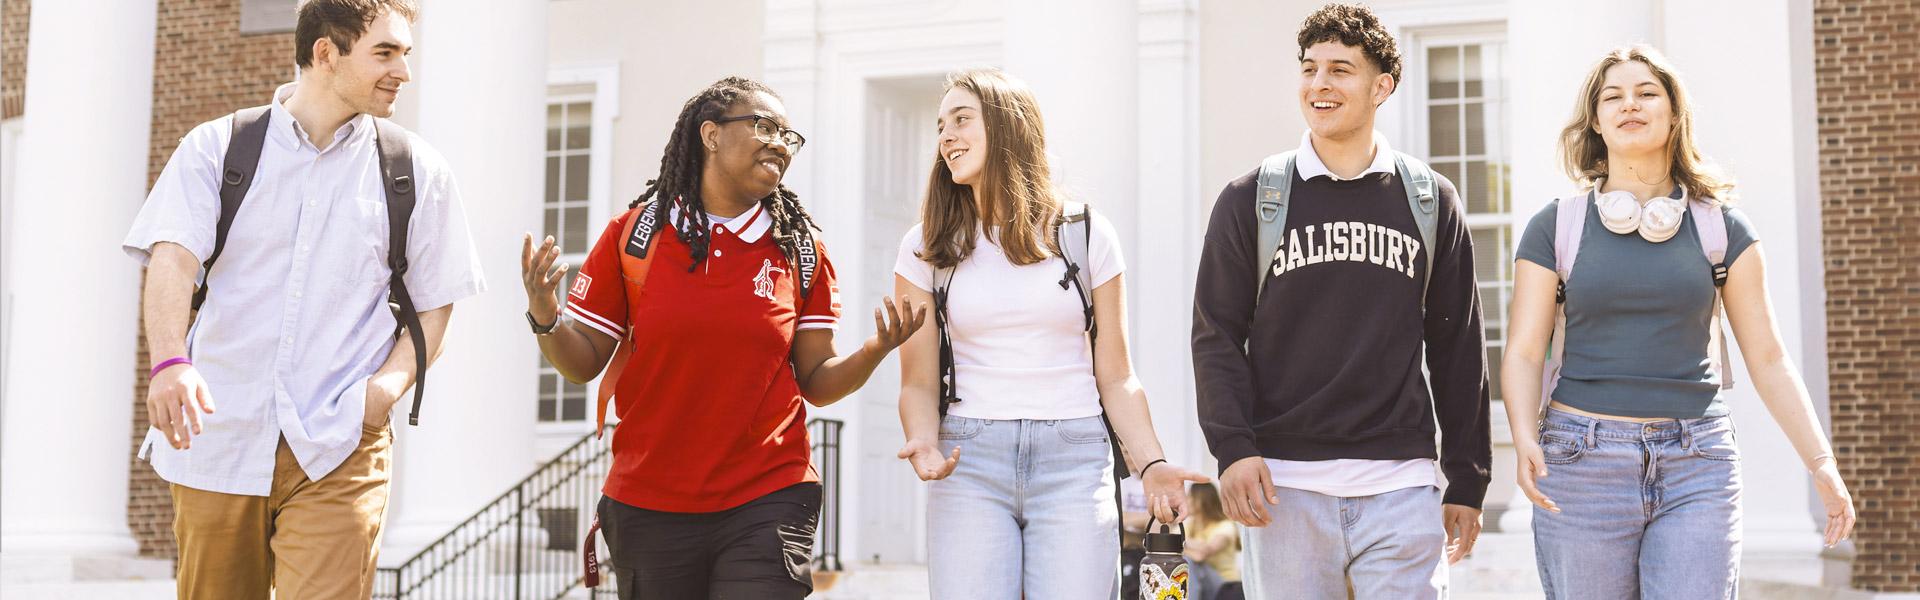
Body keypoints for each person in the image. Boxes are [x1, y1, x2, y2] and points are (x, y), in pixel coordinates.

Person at [124, 1, 485, 597]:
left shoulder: (416, 170)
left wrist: (382, 393)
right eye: (385, 53)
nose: (403, 72)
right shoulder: (216, 148)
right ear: (326, 53)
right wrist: (169, 362)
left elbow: (435, 303)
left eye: (405, 54)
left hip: (341, 443)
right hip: (220, 434)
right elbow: (173, 259)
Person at [521, 76, 921, 599]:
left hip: (769, 491)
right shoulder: (634, 237)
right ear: (710, 135)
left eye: (788, 136)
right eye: (764, 127)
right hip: (650, 498)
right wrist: (546, 315)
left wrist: (874, 350)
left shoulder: (801, 251)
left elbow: (817, 381)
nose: (780, 144)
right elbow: (582, 363)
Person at [1502, 45, 1857, 598]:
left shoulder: (1724, 229)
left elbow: (1769, 359)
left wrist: (1821, 462)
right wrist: (1524, 435)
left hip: (1698, 463)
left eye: (1647, 93)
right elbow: (1525, 352)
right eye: (1613, 96)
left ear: (1673, 114)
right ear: (1596, 120)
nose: (1630, 104)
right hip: (1581, 461)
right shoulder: (1555, 227)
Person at [1191, 4, 1492, 598]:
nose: (1319, 84)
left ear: (1382, 86)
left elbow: (1459, 348)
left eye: (1339, 70)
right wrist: (1232, 449)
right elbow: (1215, 336)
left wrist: (1467, 477)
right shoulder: (1251, 200)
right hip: (1283, 485)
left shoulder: (1431, 201)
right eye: (1309, 69)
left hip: (1401, 483)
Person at [893, 68, 1208, 599]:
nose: (946, 136)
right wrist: (923, 439)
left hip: (1075, 458)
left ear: (1008, 125)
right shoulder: (925, 245)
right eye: (940, 125)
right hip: (969, 460)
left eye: (962, 119)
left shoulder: (1085, 232)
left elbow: (1117, 375)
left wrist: (1152, 463)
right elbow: (918, 381)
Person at [1184, 483, 1243, 600]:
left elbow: (1202, 554)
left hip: (1225, 585)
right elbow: (1169, 548)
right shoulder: (1189, 526)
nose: (1186, 501)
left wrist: (1183, 546)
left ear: (1201, 500)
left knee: (1187, 561)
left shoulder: (1225, 526)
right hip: (1202, 584)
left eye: (1189, 497)